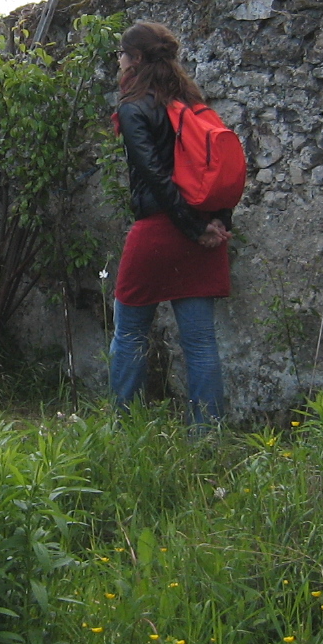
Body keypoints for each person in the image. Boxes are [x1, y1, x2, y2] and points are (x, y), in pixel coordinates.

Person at [107, 22, 231, 426]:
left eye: (122, 54)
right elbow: (221, 167)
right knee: (201, 343)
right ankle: (207, 437)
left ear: (136, 59)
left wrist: (193, 228)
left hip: (159, 232)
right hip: (203, 232)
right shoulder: (193, 103)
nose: (119, 61)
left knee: (129, 332)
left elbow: (157, 179)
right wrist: (214, 223)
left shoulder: (134, 108)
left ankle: (123, 429)